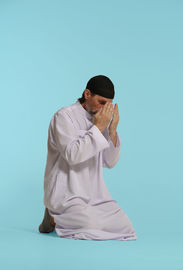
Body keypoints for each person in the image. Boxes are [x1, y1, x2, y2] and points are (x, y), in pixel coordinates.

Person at [38, 75, 137, 241]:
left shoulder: (101, 121)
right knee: (91, 224)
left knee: (124, 225)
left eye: (108, 104)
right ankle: (53, 214)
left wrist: (112, 131)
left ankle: (64, 217)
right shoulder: (63, 117)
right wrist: (98, 127)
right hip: (66, 194)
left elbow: (109, 162)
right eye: (101, 102)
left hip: (93, 194)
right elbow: (73, 155)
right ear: (87, 94)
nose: (104, 108)